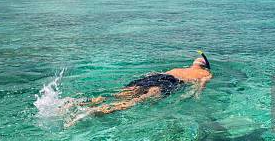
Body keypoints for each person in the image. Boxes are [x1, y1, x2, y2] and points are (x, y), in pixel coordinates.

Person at [65, 51, 212, 127]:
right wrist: (195, 96)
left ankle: (81, 103)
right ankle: (92, 112)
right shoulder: (205, 73)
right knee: (136, 102)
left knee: (118, 95)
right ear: (204, 66)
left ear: (193, 63)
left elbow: (155, 75)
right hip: (171, 83)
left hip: (154, 77)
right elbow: (200, 86)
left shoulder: (178, 68)